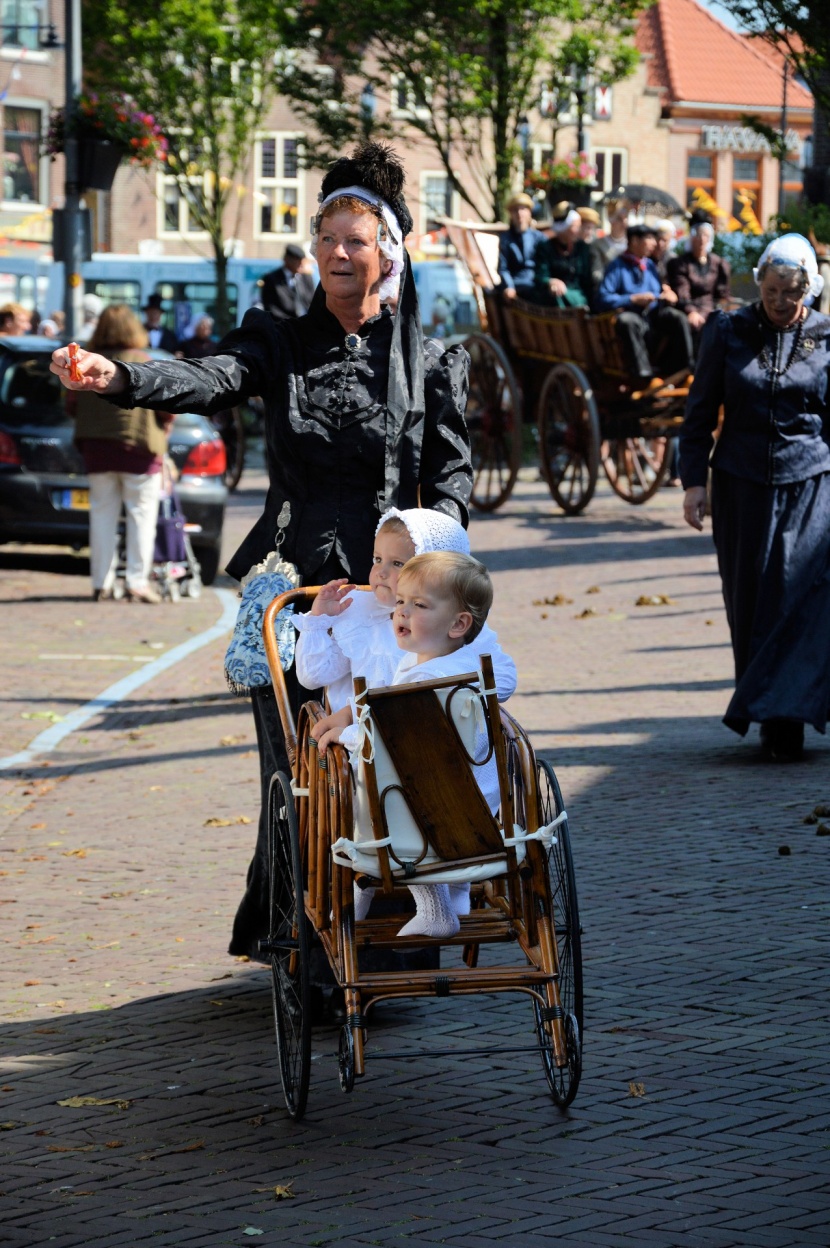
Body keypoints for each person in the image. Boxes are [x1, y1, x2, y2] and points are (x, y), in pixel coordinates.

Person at [51, 141, 473, 959]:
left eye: (357, 240)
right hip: (293, 593)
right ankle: (304, 939)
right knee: (299, 767)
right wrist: (121, 379)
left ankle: (390, 920)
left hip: (392, 601)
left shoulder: (427, 362)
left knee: (387, 760)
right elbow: (207, 376)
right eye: (327, 239)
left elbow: (452, 479)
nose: (339, 254)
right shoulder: (276, 343)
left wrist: (425, 564)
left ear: (390, 252)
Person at [680, 234, 830, 761]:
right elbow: (699, 410)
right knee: (749, 600)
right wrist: (694, 483)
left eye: (791, 293)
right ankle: (767, 708)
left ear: (808, 290)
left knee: (797, 592)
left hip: (810, 481)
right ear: (758, 285)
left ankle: (788, 714)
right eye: (770, 290)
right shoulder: (729, 331)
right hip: (741, 484)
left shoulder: (827, 336)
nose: (780, 302)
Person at [324, 551, 509, 938]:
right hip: (482, 809)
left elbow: (382, 744)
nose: (402, 612)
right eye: (401, 601)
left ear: (459, 623)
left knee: (367, 780)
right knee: (414, 781)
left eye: (419, 605)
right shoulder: (467, 669)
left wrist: (342, 734)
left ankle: (432, 907)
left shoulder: (420, 682)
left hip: (428, 817)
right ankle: (454, 892)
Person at [300, 507, 516, 734]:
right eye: (377, 559)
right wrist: (318, 620)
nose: (381, 572)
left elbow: (503, 678)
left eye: (397, 564)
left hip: (433, 734)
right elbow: (314, 676)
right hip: (365, 735)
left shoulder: (456, 627)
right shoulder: (359, 612)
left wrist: (459, 694)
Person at [72, 305, 173, 604]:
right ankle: (136, 582)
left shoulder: (85, 363)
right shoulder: (146, 361)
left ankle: (100, 583)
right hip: (140, 450)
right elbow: (168, 408)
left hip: (97, 450)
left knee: (102, 516)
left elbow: (71, 405)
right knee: (141, 517)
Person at [595, 223, 693, 387]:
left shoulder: (649, 266)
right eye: (649, 238)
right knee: (628, 320)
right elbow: (602, 299)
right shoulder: (616, 266)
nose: (654, 243)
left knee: (677, 318)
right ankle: (643, 377)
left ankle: (681, 371)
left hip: (652, 317)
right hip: (631, 318)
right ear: (634, 241)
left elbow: (657, 292)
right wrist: (632, 299)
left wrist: (666, 294)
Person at [666, 221, 731, 350]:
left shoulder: (718, 263)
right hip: (690, 308)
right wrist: (692, 311)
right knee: (697, 324)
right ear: (692, 238)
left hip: (711, 307)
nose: (702, 240)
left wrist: (725, 308)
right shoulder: (681, 264)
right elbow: (682, 291)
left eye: (706, 236)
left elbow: (722, 294)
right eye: (698, 235)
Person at [534, 202, 603, 308]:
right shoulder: (545, 247)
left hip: (577, 296)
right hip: (554, 296)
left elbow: (587, 280)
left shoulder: (582, 248)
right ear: (564, 228)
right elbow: (540, 275)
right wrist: (550, 281)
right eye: (576, 226)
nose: (579, 230)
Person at [496, 192, 546, 302]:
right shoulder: (505, 238)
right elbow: (503, 268)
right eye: (515, 210)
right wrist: (509, 286)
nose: (519, 214)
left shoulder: (539, 237)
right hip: (515, 283)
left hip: (536, 282)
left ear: (529, 213)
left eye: (523, 209)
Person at [258, 244, 317, 321]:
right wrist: (292, 323)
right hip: (283, 326)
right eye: (297, 260)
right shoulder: (271, 279)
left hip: (306, 324)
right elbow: (271, 308)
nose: (301, 264)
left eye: (302, 261)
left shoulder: (306, 277)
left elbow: (312, 302)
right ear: (287, 259)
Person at [594, 200, 629, 265]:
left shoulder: (631, 244)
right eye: (619, 219)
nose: (624, 223)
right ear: (611, 221)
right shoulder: (599, 244)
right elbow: (597, 270)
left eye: (626, 218)